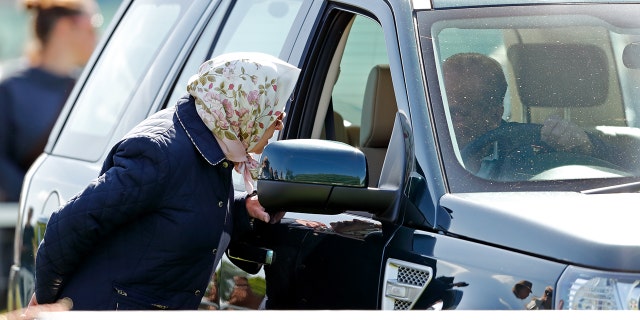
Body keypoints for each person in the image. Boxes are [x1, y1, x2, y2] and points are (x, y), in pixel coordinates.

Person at [29, 52, 300, 310]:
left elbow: (180, 209)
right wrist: (46, 303)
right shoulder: (160, 153)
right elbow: (67, 226)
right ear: (243, 108)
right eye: (274, 115)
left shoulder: (216, 143)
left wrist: (242, 209)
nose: (279, 126)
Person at [0, 0, 100, 202]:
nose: (97, 37)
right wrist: (37, 197)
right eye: (92, 26)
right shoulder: (10, 89)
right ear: (64, 27)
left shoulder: (93, 90)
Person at [442, 52, 604, 176]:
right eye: (437, 107)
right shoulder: (421, 149)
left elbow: (619, 163)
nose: (442, 120)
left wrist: (585, 146)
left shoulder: (530, 146)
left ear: (494, 116)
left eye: (457, 113)